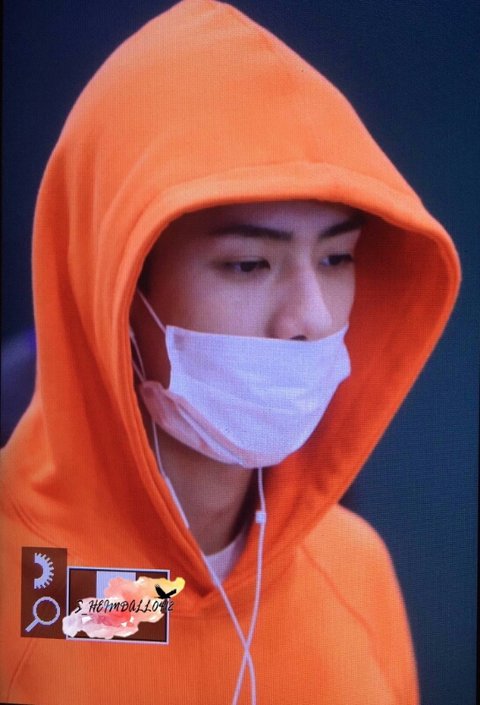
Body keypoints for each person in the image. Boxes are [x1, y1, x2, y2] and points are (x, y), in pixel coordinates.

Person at [0, 1, 460, 704]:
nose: (311, 317)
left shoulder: (355, 569)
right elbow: (126, 616)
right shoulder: (22, 584)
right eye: (248, 264)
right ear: (117, 283)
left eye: (337, 257)